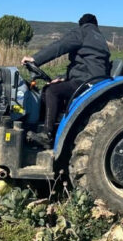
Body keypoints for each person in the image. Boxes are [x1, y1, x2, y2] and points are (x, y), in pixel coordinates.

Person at [21, 13, 111, 147]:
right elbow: (86, 64)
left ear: (82, 24)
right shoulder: (100, 38)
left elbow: (60, 46)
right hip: (96, 80)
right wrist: (63, 78)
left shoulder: (83, 32)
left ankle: (47, 134)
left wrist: (35, 59)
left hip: (85, 82)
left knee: (50, 90)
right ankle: (56, 127)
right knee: (55, 87)